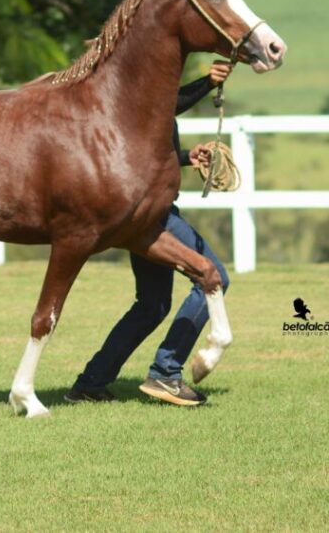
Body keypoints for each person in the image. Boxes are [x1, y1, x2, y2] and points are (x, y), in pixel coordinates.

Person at [65, 61, 233, 407]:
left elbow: (153, 152)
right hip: (154, 217)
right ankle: (166, 373)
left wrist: (187, 156)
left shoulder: (136, 95)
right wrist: (206, 83)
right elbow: (169, 105)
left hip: (146, 214)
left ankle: (91, 383)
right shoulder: (140, 94)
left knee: (152, 305)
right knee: (213, 278)